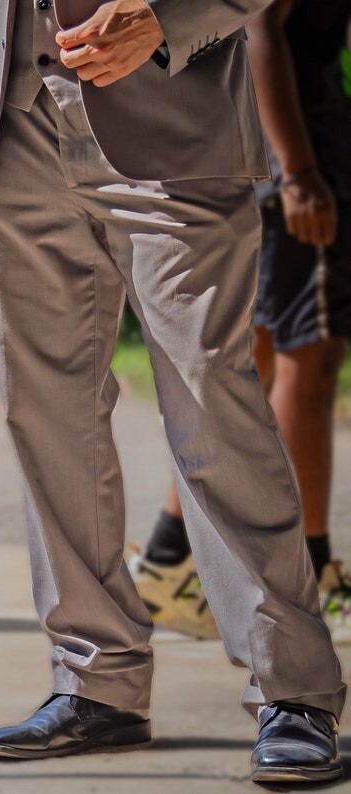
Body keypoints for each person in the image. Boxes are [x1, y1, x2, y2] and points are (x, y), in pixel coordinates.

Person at [0, 0, 345, 783]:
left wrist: (166, 16)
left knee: (211, 403)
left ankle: (293, 688)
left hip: (173, 126)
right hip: (13, 136)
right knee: (46, 415)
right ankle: (98, 681)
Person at [130, 0, 351, 644]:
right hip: (296, 157)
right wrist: (300, 173)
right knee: (307, 362)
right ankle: (307, 573)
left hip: (250, 147)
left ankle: (170, 562)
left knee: (241, 362)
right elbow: (260, 24)